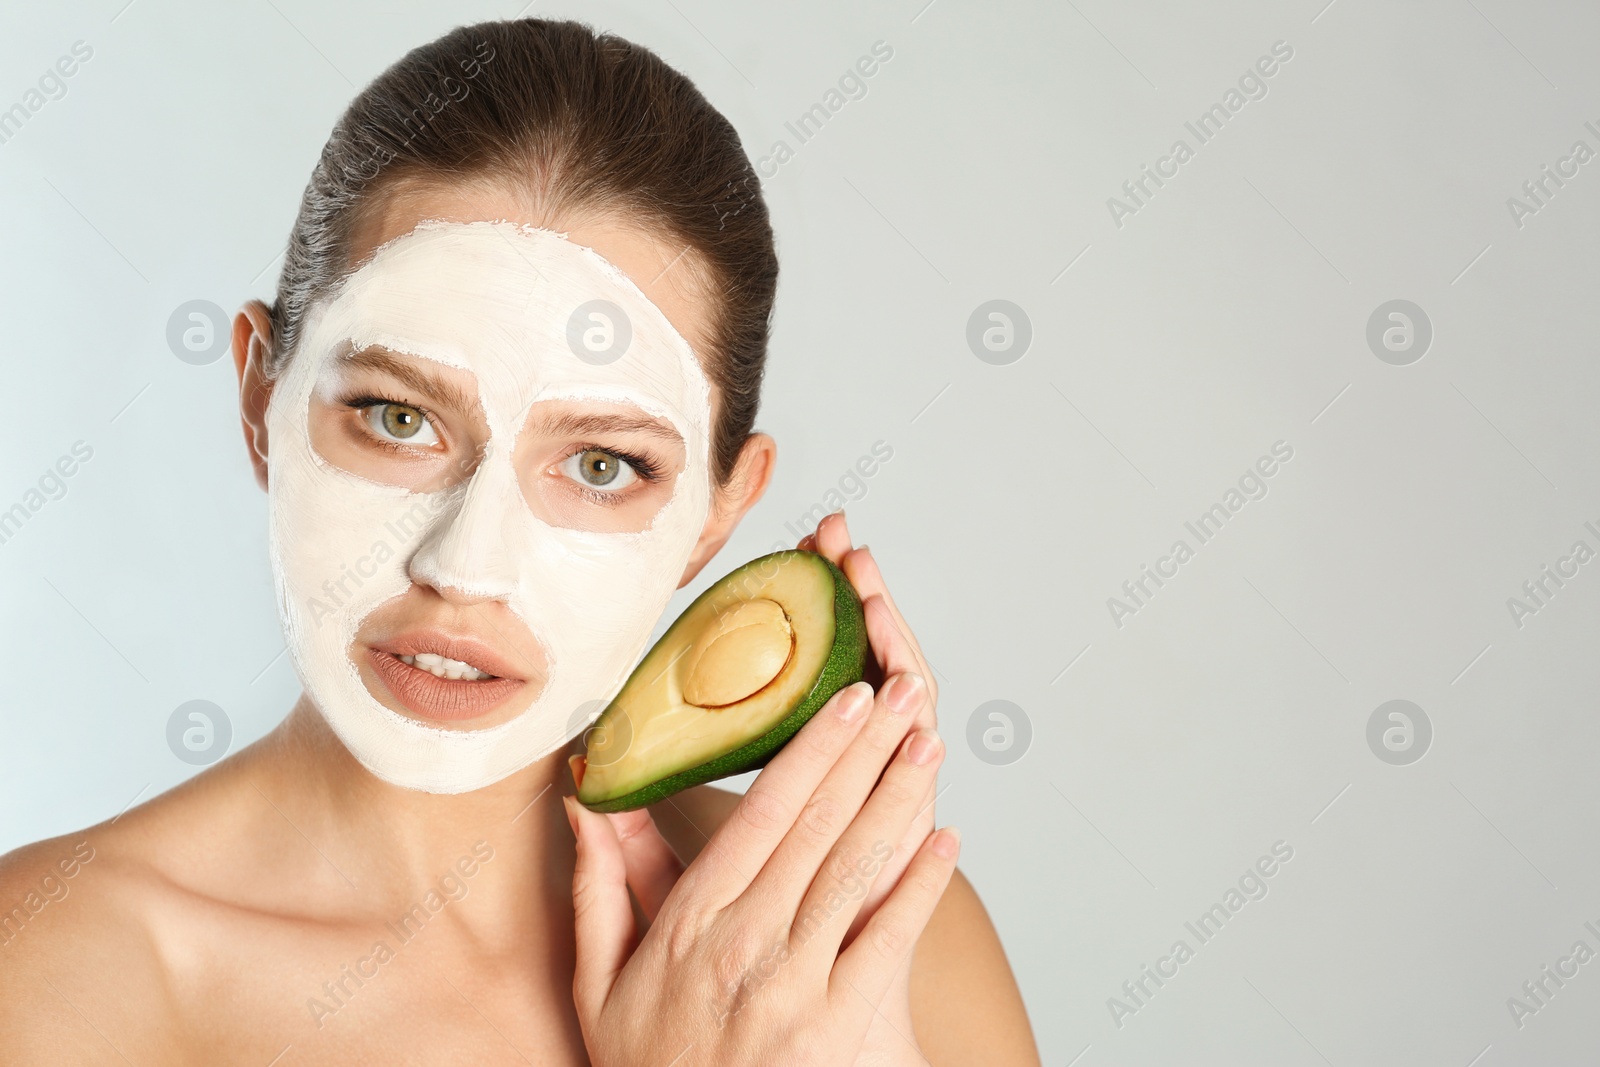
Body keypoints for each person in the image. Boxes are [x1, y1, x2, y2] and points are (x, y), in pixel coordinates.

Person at [0, 18, 1039, 1064]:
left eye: (601, 465)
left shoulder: (871, 944)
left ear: (719, 511)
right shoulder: (45, 967)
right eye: (398, 417)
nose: (465, 565)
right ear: (260, 395)